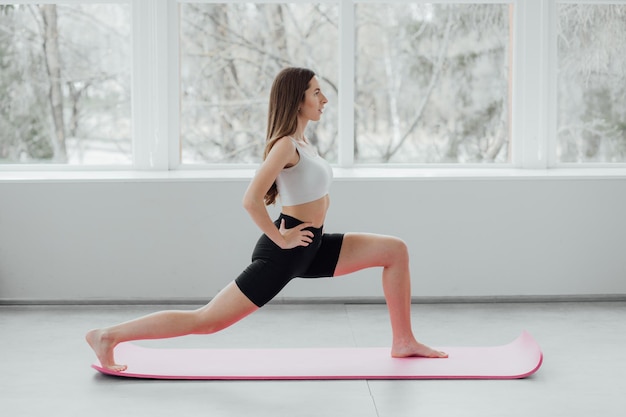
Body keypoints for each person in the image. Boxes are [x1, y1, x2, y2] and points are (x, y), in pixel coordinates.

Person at [86, 67, 447, 371]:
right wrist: (283, 239)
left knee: (394, 251)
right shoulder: (286, 145)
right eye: (317, 93)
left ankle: (403, 341)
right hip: (286, 251)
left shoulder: (305, 144)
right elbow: (250, 199)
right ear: (297, 99)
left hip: (313, 245)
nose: (324, 100)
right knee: (207, 321)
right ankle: (108, 336)